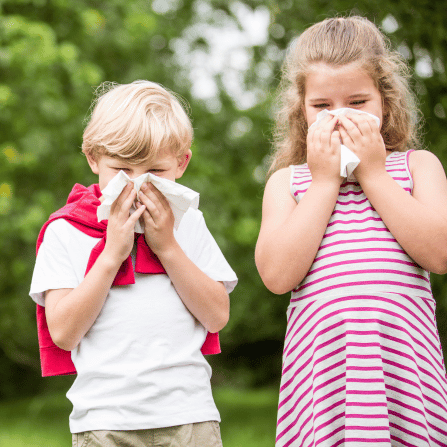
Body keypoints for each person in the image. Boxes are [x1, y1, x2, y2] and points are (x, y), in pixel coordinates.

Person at [255, 16, 447, 447]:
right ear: (302, 111)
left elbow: (440, 254)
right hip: (324, 381)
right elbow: (277, 275)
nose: (339, 117)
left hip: (403, 372)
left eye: (357, 102)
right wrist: (324, 182)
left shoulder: (417, 167)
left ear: (386, 102)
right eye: (322, 105)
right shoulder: (290, 182)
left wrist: (374, 173)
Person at [29, 80, 237, 447]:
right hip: (105, 421)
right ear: (93, 158)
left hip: (190, 417)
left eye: (155, 172)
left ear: (181, 163)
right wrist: (111, 255)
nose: (139, 186)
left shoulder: (189, 223)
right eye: (123, 170)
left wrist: (168, 247)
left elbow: (217, 315)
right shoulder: (66, 230)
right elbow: (63, 333)